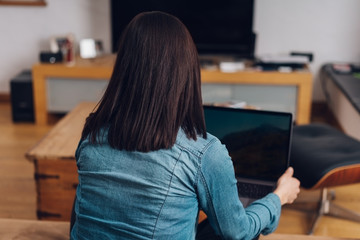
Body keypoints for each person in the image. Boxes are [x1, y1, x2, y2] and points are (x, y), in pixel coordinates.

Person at [70, 11, 300, 240]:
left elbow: (78, 216)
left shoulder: (92, 133)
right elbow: (238, 232)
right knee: (233, 226)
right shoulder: (204, 153)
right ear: (186, 71)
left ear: (124, 67)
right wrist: (279, 197)